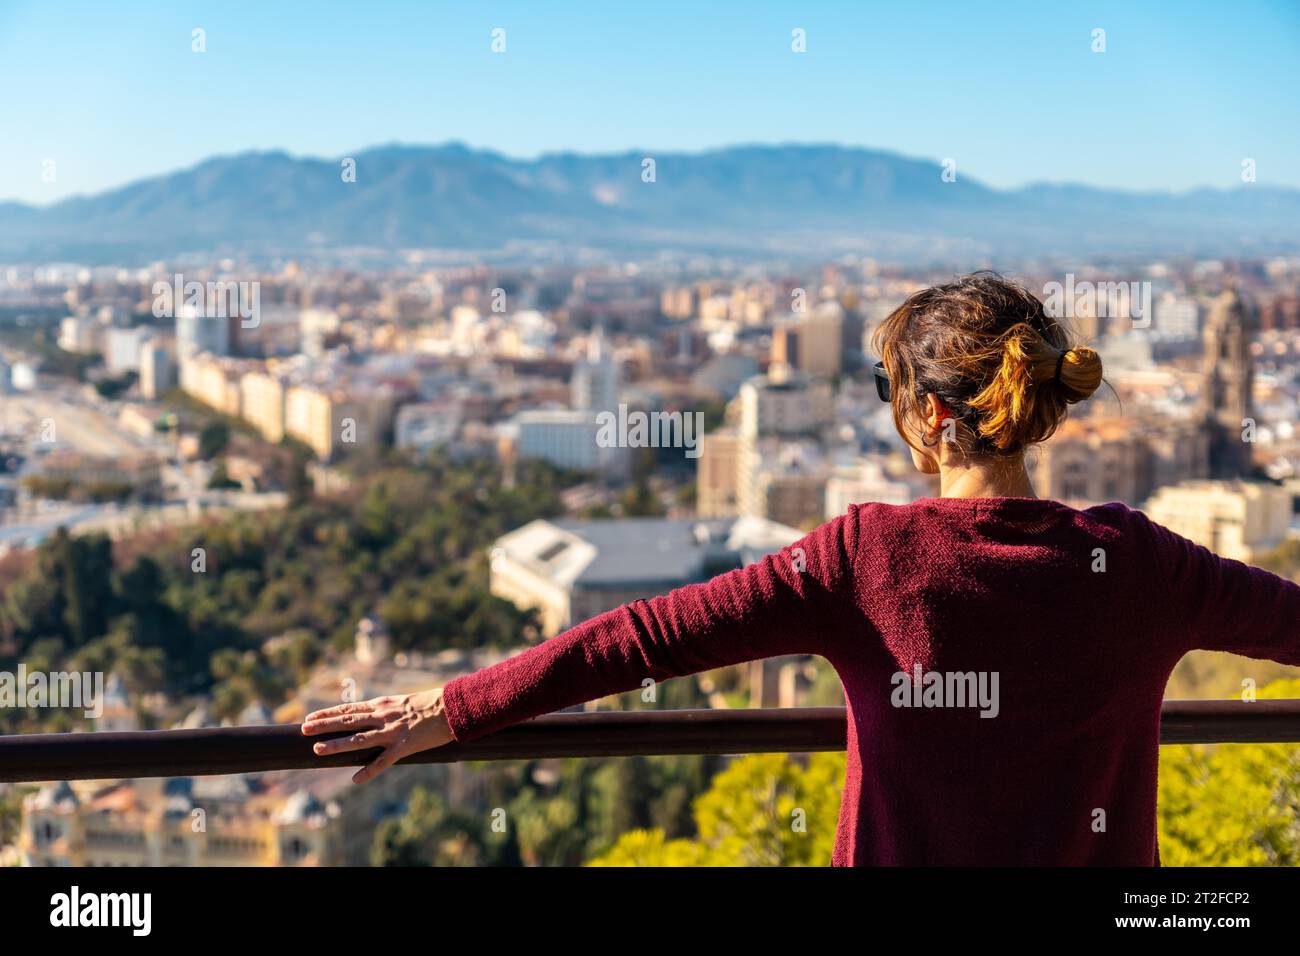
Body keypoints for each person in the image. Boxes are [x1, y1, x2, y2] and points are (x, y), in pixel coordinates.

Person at [302, 272, 1300, 865]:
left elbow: (637, 639)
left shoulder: (867, 556)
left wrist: (453, 706)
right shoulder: (1140, 563)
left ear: (929, 417)